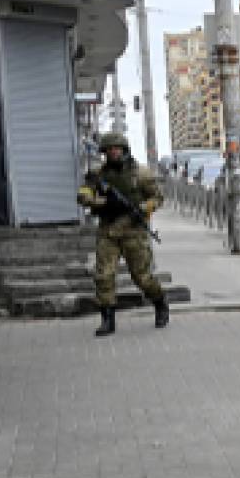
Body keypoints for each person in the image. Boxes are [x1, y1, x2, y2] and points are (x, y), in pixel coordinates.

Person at [76, 131, 169, 338]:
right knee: (104, 276)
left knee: (142, 278)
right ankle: (107, 319)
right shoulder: (98, 174)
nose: (113, 153)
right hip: (108, 231)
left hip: (133, 231)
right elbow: (83, 194)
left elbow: (158, 197)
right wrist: (102, 203)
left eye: (117, 149)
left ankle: (160, 303)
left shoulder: (141, 174)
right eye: (109, 150)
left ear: (125, 150)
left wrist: (143, 208)